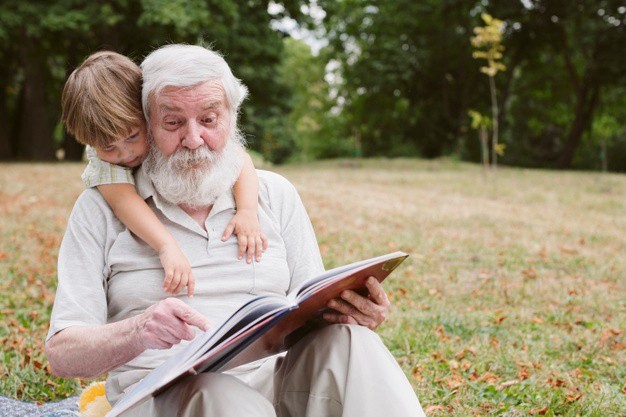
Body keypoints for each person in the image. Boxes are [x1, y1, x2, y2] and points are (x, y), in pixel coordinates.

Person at [45, 44, 425, 417]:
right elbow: (63, 355)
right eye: (174, 122)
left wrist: (352, 312)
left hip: (273, 388)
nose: (194, 140)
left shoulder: (273, 194)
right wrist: (139, 330)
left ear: (232, 117)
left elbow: (313, 314)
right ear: (148, 120)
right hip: (165, 401)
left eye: (209, 120)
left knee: (352, 342)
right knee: (214, 391)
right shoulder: (101, 207)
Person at [60, 51, 267, 296]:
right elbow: (125, 202)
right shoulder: (104, 165)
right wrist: (166, 245)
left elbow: (239, 159)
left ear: (145, 114)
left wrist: (246, 211)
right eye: (108, 147)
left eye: (133, 136)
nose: (125, 154)